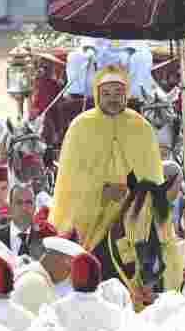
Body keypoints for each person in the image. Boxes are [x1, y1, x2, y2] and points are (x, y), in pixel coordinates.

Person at [50, 65, 167, 294]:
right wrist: (100, 191)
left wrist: (134, 194)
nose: (113, 99)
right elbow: (70, 180)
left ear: (126, 94)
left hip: (133, 222)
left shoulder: (141, 127)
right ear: (97, 95)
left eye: (118, 93)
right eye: (107, 94)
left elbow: (153, 179)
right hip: (91, 221)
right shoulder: (80, 127)